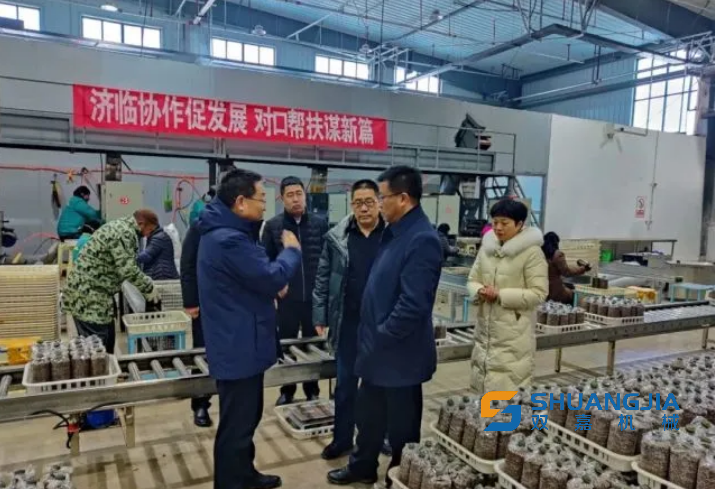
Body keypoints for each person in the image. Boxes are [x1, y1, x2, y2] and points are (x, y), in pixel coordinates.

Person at [328, 166, 442, 487]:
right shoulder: (395, 233)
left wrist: (382, 335)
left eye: (382, 197)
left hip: (400, 355)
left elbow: (413, 304)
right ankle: (362, 466)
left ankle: (400, 477)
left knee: (402, 427)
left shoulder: (422, 239)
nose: (378, 203)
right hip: (377, 351)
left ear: (403, 198)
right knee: (369, 416)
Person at [197, 169, 301, 489]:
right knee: (236, 426)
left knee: (247, 418)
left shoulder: (230, 233)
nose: (264, 205)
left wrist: (268, 284)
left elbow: (252, 278)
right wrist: (291, 252)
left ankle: (245, 475)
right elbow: (270, 276)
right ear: (241, 202)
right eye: (261, 198)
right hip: (237, 345)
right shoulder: (229, 240)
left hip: (243, 340)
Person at [313, 179, 391, 460]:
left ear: (379, 202)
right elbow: (323, 279)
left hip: (381, 326)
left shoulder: (392, 235)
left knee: (378, 386)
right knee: (345, 387)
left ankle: (377, 436)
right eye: (358, 203)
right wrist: (320, 315)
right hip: (347, 323)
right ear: (351, 205)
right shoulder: (338, 238)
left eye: (369, 202)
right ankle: (342, 439)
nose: (364, 208)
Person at [466, 199, 548, 393]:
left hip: (514, 332)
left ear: (519, 224)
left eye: (504, 223)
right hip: (485, 329)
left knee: (508, 388)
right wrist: (480, 290)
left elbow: (539, 293)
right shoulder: (487, 249)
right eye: (495, 222)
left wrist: (500, 295)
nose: (498, 228)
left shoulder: (532, 253)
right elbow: (472, 280)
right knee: (483, 382)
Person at [262, 176, 328, 406]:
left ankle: (312, 390)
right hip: (287, 300)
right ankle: (287, 390)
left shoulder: (320, 224)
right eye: (290, 195)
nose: (295, 199)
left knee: (312, 346)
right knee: (286, 345)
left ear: (305, 195)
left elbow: (327, 260)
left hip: (313, 299)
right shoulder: (273, 226)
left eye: (299, 194)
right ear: (282, 199)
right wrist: (275, 287)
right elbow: (266, 262)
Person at [63, 210, 159, 353]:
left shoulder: (121, 226)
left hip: (97, 293)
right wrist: (148, 287)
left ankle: (108, 365)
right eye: (149, 230)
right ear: (141, 224)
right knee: (98, 348)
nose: (147, 235)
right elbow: (128, 269)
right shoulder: (124, 232)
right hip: (88, 296)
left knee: (108, 341)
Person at [180, 219, 212, 428]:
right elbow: (187, 264)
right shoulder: (201, 226)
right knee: (203, 354)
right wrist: (190, 301)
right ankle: (200, 403)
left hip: (234, 304)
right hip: (205, 303)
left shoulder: (243, 222)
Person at [542, 231, 590, 305]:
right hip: (555, 292)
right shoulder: (557, 254)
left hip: (543, 291)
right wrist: (583, 269)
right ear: (555, 242)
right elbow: (567, 272)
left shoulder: (540, 254)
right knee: (573, 295)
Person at [136, 214, 179, 281]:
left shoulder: (159, 237)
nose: (141, 231)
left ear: (149, 226)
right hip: (160, 275)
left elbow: (146, 255)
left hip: (163, 276)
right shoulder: (154, 237)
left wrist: (129, 258)